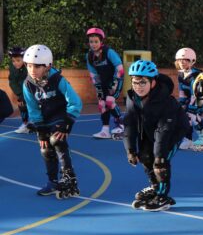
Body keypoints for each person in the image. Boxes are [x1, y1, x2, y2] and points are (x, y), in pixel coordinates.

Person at [123, 60, 189, 211]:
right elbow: (129, 125)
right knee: (145, 157)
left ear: (153, 82)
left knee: (160, 163)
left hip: (173, 130)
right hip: (150, 129)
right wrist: (130, 150)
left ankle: (163, 196)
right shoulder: (132, 99)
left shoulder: (166, 101)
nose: (138, 86)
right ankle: (155, 187)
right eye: (135, 82)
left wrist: (159, 154)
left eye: (143, 82)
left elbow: (164, 130)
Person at [22, 45, 82, 199]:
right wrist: (41, 132)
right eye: (29, 66)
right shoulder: (28, 84)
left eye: (37, 66)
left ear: (48, 66)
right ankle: (52, 181)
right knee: (45, 148)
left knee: (57, 140)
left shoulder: (57, 79)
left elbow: (75, 102)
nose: (32, 70)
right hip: (45, 118)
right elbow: (33, 108)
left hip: (62, 116)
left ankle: (70, 177)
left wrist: (66, 123)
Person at [85, 27, 125, 139]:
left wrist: (114, 85)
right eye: (91, 42)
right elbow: (93, 74)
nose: (93, 44)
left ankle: (120, 124)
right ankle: (105, 129)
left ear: (101, 41)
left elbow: (120, 69)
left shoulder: (109, 52)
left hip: (115, 80)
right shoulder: (89, 56)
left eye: (96, 41)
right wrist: (98, 89)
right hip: (102, 82)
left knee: (109, 101)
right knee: (102, 104)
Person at [174, 47, 203, 150]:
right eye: (180, 60)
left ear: (192, 61)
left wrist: (190, 107)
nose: (182, 62)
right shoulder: (181, 74)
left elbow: (197, 94)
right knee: (183, 114)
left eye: (185, 60)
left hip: (201, 99)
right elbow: (182, 90)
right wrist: (182, 104)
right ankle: (187, 138)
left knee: (191, 114)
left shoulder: (197, 75)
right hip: (191, 98)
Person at [7, 46, 31, 133]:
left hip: (33, 89)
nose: (15, 63)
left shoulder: (29, 66)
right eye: (13, 61)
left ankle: (41, 123)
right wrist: (20, 95)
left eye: (18, 60)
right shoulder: (12, 67)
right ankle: (25, 124)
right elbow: (12, 82)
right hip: (21, 90)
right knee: (22, 105)